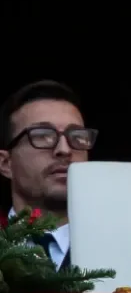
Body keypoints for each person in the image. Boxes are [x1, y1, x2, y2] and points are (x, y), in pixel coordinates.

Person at [0, 80, 98, 270]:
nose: (64, 149)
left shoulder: (125, 243)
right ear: (5, 163)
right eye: (42, 135)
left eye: (77, 136)